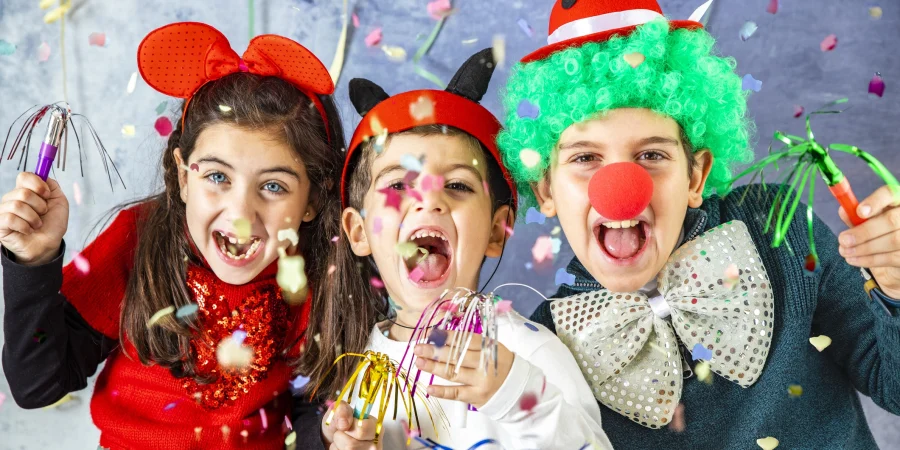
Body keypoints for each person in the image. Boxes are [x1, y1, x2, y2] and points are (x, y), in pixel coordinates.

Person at [496, 1, 900, 448]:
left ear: (696, 176)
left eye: (651, 155)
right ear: (548, 190)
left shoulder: (780, 228)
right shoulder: (543, 347)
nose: (620, 188)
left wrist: (897, 288)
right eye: (585, 158)